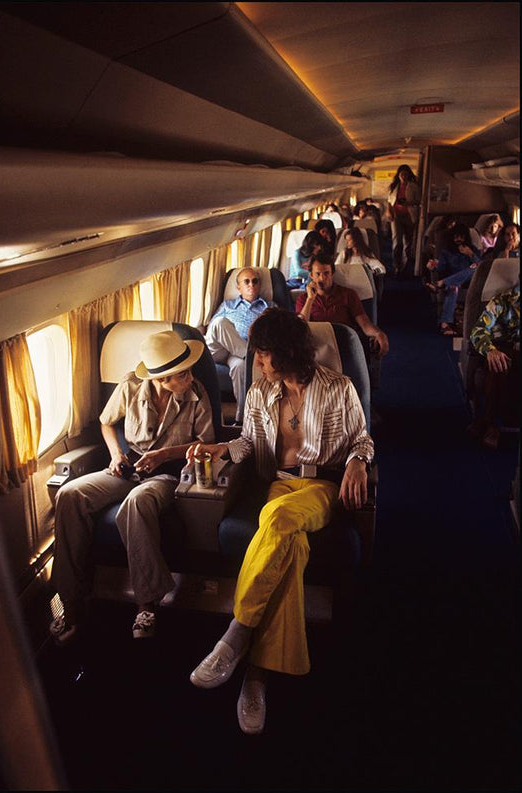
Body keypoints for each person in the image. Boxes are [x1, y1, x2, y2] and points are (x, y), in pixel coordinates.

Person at [186, 308, 374, 735]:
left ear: (287, 353)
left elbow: (362, 438)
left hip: (320, 489)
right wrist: (224, 450)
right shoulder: (258, 393)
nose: (259, 363)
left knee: (278, 516)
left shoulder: (337, 388)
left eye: (265, 355)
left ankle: (237, 633)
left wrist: (359, 463)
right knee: (289, 545)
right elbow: (250, 442)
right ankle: (257, 676)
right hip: (279, 487)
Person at [50, 330, 214, 642]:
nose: (191, 377)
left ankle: (145, 604)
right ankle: (71, 600)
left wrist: (165, 454)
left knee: (137, 502)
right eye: (183, 374)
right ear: (163, 379)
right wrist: (115, 455)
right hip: (127, 467)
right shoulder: (130, 385)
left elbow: (206, 442)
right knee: (70, 494)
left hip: (168, 474)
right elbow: (105, 422)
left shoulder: (198, 393)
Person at [205, 267, 276, 423]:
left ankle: (242, 417)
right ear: (238, 287)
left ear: (260, 285)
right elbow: (213, 329)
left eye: (255, 281)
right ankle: (250, 357)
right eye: (246, 281)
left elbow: (277, 330)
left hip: (240, 352)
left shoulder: (269, 306)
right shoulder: (227, 305)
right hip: (221, 348)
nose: (251, 285)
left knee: (240, 367)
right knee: (219, 322)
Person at [296, 253, 389, 358]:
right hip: (317, 349)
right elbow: (300, 327)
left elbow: (364, 324)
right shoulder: (303, 299)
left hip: (343, 346)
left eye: (326, 273)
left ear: (332, 274)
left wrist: (378, 333)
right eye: (318, 274)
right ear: (311, 275)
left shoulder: (348, 294)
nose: (322, 278)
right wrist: (310, 299)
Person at [469, 281, 520, 450]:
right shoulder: (502, 301)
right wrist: (490, 350)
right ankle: (492, 424)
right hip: (503, 349)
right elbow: (479, 330)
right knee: (499, 363)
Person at [426, 223, 481, 336]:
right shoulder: (447, 251)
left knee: (475, 267)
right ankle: (445, 324)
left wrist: (470, 254)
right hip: (454, 281)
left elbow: (482, 268)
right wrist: (433, 265)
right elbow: (441, 268)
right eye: (456, 237)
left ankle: (440, 284)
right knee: (453, 287)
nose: (459, 239)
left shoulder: (472, 250)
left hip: (472, 281)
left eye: (461, 237)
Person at [387, 164, 420, 277]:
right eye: (402, 174)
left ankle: (406, 266)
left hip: (409, 216)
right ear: (398, 175)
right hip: (396, 216)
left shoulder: (414, 186)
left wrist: (408, 203)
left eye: (405, 174)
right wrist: (389, 211)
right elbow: (389, 201)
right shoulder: (394, 186)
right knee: (397, 241)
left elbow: (419, 202)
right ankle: (397, 266)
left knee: (408, 242)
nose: (403, 176)